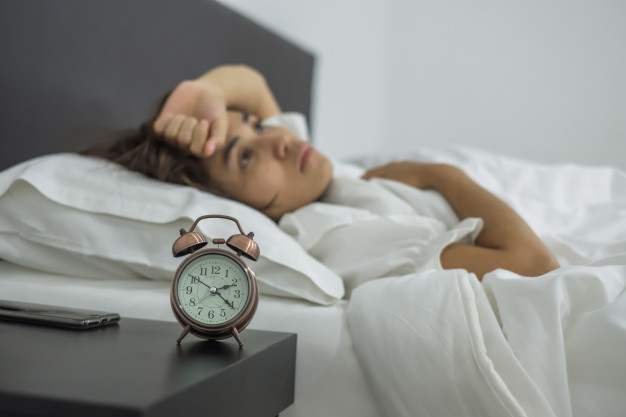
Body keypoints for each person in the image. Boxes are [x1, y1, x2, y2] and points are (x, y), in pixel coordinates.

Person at [83, 64, 559, 280]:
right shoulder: (337, 234)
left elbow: (252, 83)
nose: (280, 137)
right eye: (244, 156)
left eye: (252, 124)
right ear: (231, 208)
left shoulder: (311, 183)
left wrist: (205, 93)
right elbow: (534, 267)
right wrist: (437, 173)